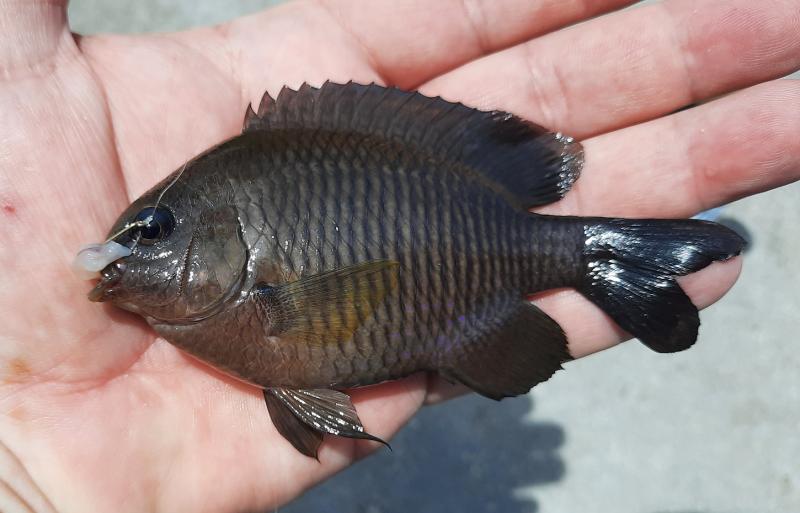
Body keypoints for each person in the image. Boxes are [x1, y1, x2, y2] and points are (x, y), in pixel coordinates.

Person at [0, 0, 797, 511]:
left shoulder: (244, 274)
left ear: (223, 235)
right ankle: (596, 256)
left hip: (490, 245)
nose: (135, 253)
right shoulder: (217, 292)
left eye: (161, 228)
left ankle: (593, 255)